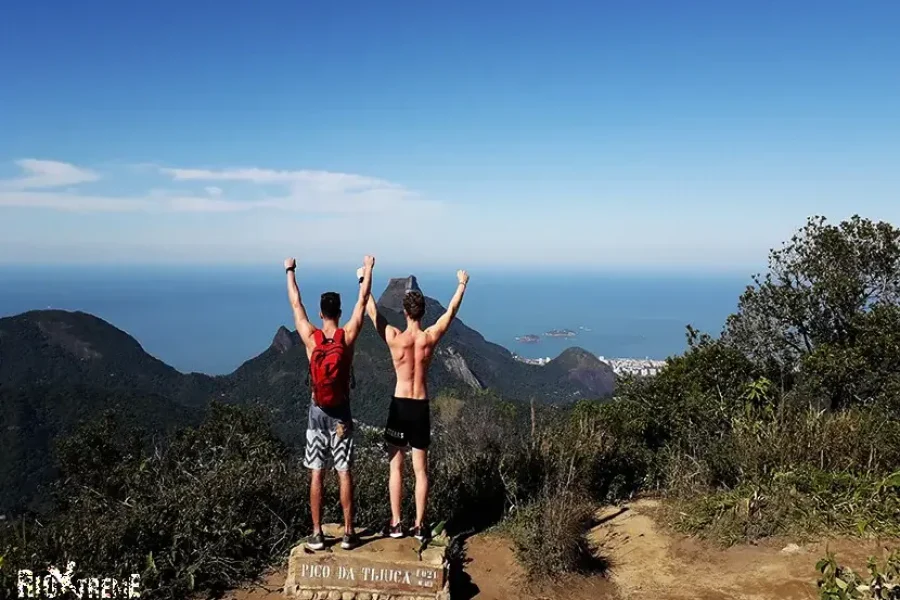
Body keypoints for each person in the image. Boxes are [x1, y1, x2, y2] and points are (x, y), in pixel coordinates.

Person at [365, 269, 469, 541]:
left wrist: (364, 277)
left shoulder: (394, 338)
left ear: (405, 311)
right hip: (420, 406)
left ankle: (397, 523)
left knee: (395, 466)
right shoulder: (429, 338)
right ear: (423, 312)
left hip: (399, 405)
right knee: (421, 469)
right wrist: (461, 284)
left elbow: (373, 313)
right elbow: (451, 313)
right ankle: (420, 525)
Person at [285, 255, 375, 551]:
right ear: (338, 311)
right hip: (341, 416)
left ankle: (317, 533)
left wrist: (290, 270)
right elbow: (362, 304)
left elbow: (296, 305)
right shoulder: (346, 337)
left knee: (316, 472)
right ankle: (349, 533)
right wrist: (368, 270)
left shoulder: (311, 338)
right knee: (344, 471)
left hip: (316, 414)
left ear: (322, 313)